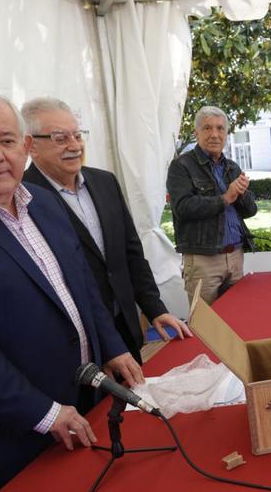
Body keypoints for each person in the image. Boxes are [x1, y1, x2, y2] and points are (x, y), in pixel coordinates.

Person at [0, 88, 145, 491]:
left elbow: (81, 285)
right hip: (0, 435)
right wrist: (44, 412)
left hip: (79, 406)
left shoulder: (42, 201)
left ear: (24, 147)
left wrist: (112, 345)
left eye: (6, 141)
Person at [21, 97, 191, 364]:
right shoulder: (22, 198)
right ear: (30, 145)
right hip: (75, 344)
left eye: (78, 135)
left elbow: (131, 253)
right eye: (59, 138)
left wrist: (155, 309)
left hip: (124, 326)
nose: (74, 146)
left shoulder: (105, 182)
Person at [166, 106, 257, 304]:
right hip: (203, 260)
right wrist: (226, 197)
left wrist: (241, 195)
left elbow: (251, 210)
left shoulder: (232, 166)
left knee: (237, 321)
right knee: (206, 327)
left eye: (220, 128)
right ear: (196, 133)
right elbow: (183, 207)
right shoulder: (181, 166)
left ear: (226, 133)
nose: (215, 134)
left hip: (235, 257)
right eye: (207, 128)